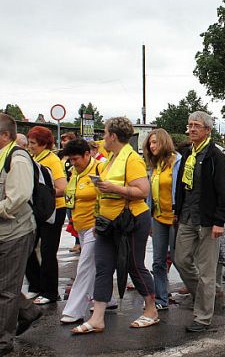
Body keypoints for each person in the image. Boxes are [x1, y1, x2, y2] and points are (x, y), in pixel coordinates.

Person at [71, 117, 158, 334]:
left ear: (113, 136)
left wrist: (112, 187)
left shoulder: (131, 159)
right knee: (103, 267)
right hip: (107, 223)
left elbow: (142, 192)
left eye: (105, 133)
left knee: (134, 265)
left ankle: (151, 310)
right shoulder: (111, 158)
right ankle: (97, 318)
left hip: (130, 220)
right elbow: (104, 195)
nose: (102, 138)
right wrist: (98, 216)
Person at [174, 111, 225, 332]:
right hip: (188, 216)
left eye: (196, 125)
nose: (191, 129)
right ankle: (206, 295)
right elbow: (182, 187)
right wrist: (177, 210)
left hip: (208, 221)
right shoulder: (188, 154)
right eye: (189, 125)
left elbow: (224, 193)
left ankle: (203, 317)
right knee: (181, 260)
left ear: (208, 130)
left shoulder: (216, 157)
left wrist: (220, 221)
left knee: (207, 271)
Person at [60, 139, 116, 323]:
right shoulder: (75, 172)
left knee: (84, 267)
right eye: (71, 159)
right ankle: (107, 299)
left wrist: (99, 221)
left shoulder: (100, 169)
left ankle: (74, 311)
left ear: (87, 154)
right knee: (96, 266)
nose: (73, 162)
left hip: (95, 228)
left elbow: (109, 196)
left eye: (76, 158)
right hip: (81, 227)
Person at [0, 114, 42, 355]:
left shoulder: (18, 159)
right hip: (5, 231)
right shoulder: (2, 157)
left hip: (15, 232)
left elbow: (18, 197)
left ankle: (3, 342)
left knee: (6, 289)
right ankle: (28, 310)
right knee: (5, 286)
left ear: (6, 135)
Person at [25, 126, 67, 304]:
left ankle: (50, 292)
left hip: (54, 210)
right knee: (28, 248)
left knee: (47, 251)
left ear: (43, 143)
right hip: (40, 211)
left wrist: (42, 195)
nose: (29, 146)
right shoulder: (35, 158)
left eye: (33, 143)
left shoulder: (52, 161)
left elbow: (62, 188)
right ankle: (35, 286)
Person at [143, 129, 182, 311]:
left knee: (179, 259)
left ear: (165, 142)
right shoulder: (155, 165)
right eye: (150, 143)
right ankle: (161, 298)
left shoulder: (178, 162)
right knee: (158, 261)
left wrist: (179, 211)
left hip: (175, 218)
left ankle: (201, 291)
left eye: (155, 142)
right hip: (158, 217)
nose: (152, 146)